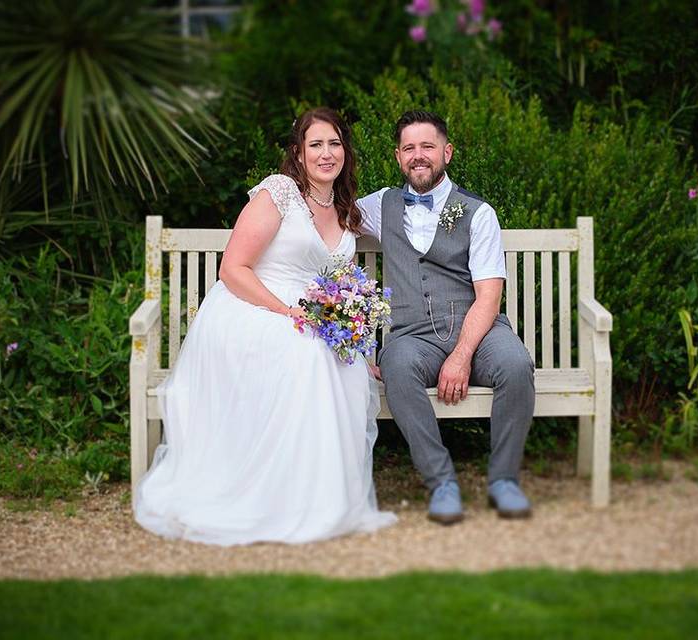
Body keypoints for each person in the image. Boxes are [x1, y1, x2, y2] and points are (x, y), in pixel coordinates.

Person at [133, 107, 397, 545]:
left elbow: (339, 294)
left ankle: (314, 500)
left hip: (309, 320)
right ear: (298, 152)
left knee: (341, 364)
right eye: (316, 144)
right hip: (251, 308)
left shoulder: (347, 208)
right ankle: (271, 501)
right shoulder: (278, 194)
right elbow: (233, 269)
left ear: (346, 152)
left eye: (335, 144)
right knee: (308, 353)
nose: (327, 153)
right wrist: (286, 312)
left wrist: (359, 348)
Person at [357, 110, 536, 525]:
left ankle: (504, 479)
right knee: (396, 367)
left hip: (478, 328)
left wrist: (461, 355)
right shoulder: (379, 205)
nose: (418, 156)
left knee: (516, 364)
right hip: (413, 335)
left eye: (427, 146)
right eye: (409, 148)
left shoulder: (478, 212)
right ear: (399, 156)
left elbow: (489, 297)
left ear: (447, 152)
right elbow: (324, 210)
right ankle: (442, 483)